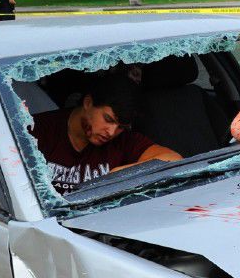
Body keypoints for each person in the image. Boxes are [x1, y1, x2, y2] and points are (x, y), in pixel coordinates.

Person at [30, 75, 182, 194]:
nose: (111, 132)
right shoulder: (37, 131)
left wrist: (118, 175)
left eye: (120, 127)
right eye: (108, 119)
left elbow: (173, 160)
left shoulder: (123, 141)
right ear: (88, 103)